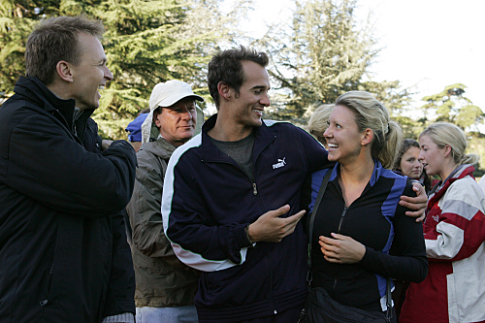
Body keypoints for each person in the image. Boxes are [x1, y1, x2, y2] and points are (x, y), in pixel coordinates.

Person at [161, 47, 428, 323]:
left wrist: (417, 193)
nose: (266, 100)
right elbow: (181, 238)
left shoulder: (289, 139)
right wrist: (248, 234)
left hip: (294, 310)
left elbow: (351, 166)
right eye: (257, 91)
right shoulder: (188, 159)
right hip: (228, 310)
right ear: (226, 90)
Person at [0, 16, 137, 322]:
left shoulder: (82, 129)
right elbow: (109, 187)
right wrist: (124, 150)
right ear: (65, 70)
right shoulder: (21, 126)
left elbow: (111, 225)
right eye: (100, 63)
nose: (108, 74)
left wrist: (119, 308)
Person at [306, 91, 428, 322]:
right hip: (315, 310)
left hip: (369, 314)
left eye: (337, 126)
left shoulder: (400, 190)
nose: (327, 132)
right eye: (329, 125)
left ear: (366, 136)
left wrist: (363, 255)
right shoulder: (313, 180)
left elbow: (417, 267)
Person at [126, 80, 204, 323]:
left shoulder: (200, 160)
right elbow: (148, 233)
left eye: (190, 108)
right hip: (163, 302)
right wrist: (211, 256)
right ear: (157, 119)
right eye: (176, 110)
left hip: (202, 296)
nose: (187, 116)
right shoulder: (147, 163)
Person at [399, 123, 485, 323]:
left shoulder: (462, 189)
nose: (421, 156)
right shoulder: (448, 188)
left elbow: (449, 244)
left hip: (453, 307)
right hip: (438, 298)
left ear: (446, 149)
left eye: (425, 148)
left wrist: (403, 239)